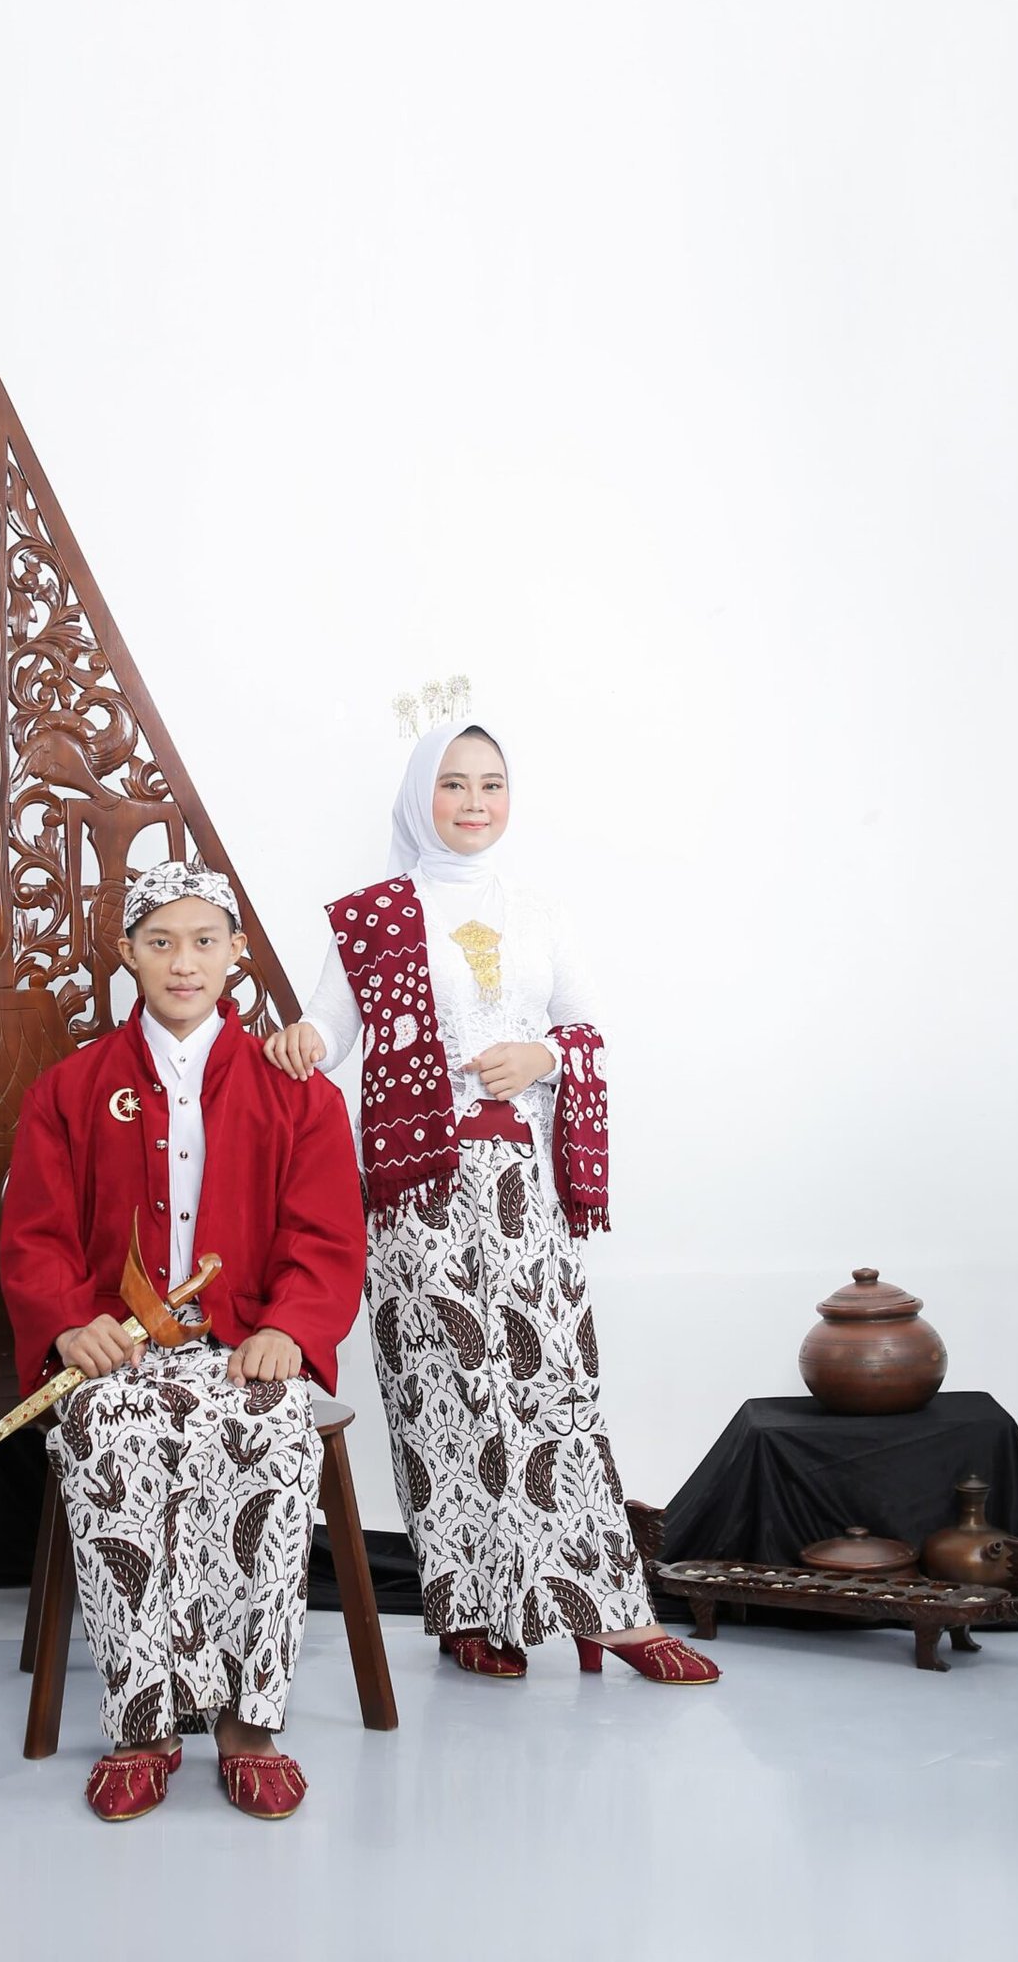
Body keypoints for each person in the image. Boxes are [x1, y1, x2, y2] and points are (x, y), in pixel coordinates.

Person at [264, 722, 719, 1687]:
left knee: (556, 1388)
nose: (474, 802)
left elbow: (588, 1027)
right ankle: (469, 1609)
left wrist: (542, 1055)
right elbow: (330, 1031)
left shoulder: (540, 912)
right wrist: (300, 1040)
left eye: (492, 783)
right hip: (416, 1194)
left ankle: (608, 1608)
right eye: (453, 783)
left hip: (521, 1187)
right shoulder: (375, 917)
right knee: (445, 1391)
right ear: (418, 796)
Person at [0, 858, 367, 1821]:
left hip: (244, 1343)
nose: (183, 961)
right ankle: (144, 1725)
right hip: (120, 1350)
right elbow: (34, 1235)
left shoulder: (299, 1093)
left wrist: (291, 1327)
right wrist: (69, 1323)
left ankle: (249, 1724)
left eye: (206, 940)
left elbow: (328, 1236)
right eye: (160, 941)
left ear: (237, 952)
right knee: (108, 1433)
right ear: (127, 952)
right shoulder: (70, 1089)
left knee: (271, 1431)